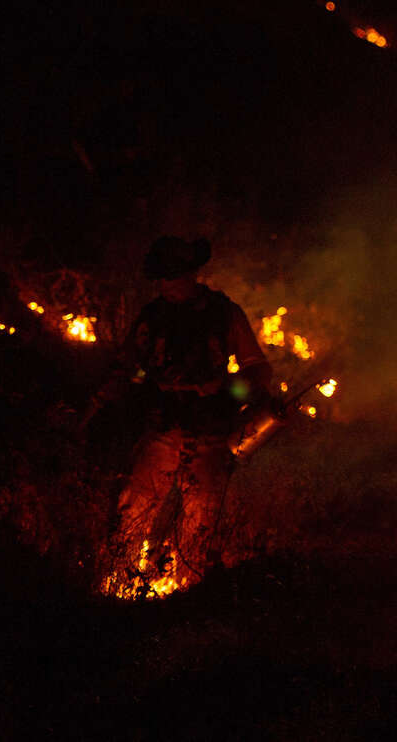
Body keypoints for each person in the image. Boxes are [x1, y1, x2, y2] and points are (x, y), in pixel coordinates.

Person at [86, 236, 271, 595]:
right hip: (161, 429)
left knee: (200, 519)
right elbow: (127, 367)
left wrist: (224, 388)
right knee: (134, 509)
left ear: (190, 275)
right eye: (158, 278)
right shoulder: (152, 317)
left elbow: (258, 370)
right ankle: (119, 586)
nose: (162, 285)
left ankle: (187, 596)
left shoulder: (224, 314)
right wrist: (120, 385)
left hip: (210, 434)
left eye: (169, 277)